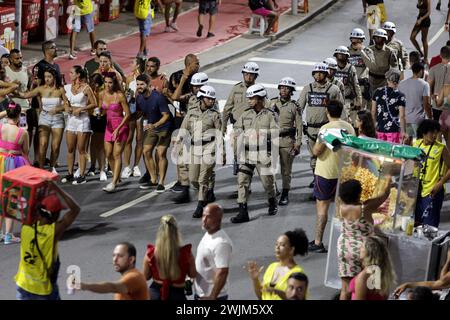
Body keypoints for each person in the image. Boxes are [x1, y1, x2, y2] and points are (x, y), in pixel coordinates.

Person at [15, 182, 80, 300]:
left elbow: (27, 206)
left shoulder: (26, 227)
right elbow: (75, 209)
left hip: (23, 285)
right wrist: (57, 188)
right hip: (43, 290)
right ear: (55, 216)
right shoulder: (53, 231)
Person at [309, 101, 355, 253]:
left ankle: (318, 242)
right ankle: (346, 242)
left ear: (327, 112)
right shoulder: (349, 127)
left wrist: (313, 147)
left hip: (326, 173)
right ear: (341, 111)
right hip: (345, 172)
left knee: (322, 208)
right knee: (344, 208)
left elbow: (317, 151)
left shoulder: (325, 129)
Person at [230, 84, 279, 223]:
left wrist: (261, 133)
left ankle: (272, 201)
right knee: (242, 181)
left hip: (263, 154)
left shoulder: (270, 115)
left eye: (251, 98)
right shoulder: (245, 114)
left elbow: (276, 131)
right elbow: (237, 127)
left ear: (259, 98)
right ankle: (243, 211)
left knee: (267, 183)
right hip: (247, 153)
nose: (249, 100)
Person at [337, 179, 392, 300]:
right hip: (364, 250)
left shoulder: (342, 207)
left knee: (345, 289)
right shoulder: (364, 208)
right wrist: (388, 185)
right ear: (358, 194)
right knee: (371, 286)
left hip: (344, 248)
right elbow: (383, 197)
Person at [297, 63, 344, 192]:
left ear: (326, 74)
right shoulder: (308, 89)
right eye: (316, 73)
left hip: (328, 128)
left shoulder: (333, 89)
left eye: (321, 73)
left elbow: (341, 108)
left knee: (329, 157)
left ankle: (330, 183)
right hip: (312, 129)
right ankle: (317, 182)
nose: (318, 75)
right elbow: (299, 108)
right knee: (314, 157)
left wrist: (341, 125)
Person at [178, 85, 222, 218]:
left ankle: (200, 205)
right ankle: (207, 191)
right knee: (193, 179)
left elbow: (219, 134)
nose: (212, 101)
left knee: (203, 179)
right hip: (194, 148)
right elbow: (184, 128)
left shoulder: (215, 115)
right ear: (201, 98)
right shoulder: (191, 112)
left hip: (210, 147)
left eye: (213, 99)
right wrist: (178, 142)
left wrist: (223, 152)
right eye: (209, 99)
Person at [16, 68, 68, 172]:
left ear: (54, 77)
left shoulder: (61, 90)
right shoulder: (41, 89)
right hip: (44, 118)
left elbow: (67, 106)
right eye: (45, 77)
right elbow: (25, 95)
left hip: (58, 119)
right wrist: (12, 91)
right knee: (43, 144)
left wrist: (58, 109)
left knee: (55, 146)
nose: (47, 79)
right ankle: (40, 169)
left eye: (49, 77)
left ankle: (52, 167)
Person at [167, 54, 200, 196]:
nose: (198, 65)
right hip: (179, 119)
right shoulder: (176, 76)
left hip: (193, 119)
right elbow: (173, 96)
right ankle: (181, 180)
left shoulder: (199, 77)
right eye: (196, 63)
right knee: (179, 150)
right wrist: (184, 79)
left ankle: (193, 180)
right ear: (188, 64)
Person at [143, 215, 196, 300]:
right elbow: (193, 274)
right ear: (176, 232)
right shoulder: (186, 253)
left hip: (155, 294)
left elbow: (146, 276)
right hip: (178, 295)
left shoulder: (151, 253)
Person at [133, 74, 171, 192]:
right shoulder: (139, 97)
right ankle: (154, 179)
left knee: (160, 153)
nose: (139, 87)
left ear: (149, 85)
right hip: (151, 126)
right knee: (146, 151)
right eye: (137, 84)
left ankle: (161, 182)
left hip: (164, 127)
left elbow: (166, 115)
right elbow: (140, 113)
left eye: (142, 84)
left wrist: (154, 125)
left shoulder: (158, 97)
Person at [223, 62, 259, 182]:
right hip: (238, 128)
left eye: (251, 75)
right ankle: (242, 181)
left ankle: (250, 180)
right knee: (237, 154)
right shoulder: (236, 88)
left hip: (253, 129)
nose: (248, 77)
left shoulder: (259, 90)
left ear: (255, 76)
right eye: (246, 74)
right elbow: (227, 108)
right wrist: (222, 127)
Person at [246, 229, 308, 300]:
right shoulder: (272, 267)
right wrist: (255, 280)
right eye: (276, 244)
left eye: (282, 245)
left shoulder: (297, 273)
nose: (277, 247)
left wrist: (278, 292)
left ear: (291, 250)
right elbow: (261, 296)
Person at [269, 77, 302, 206]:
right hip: (272, 140)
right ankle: (274, 189)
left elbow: (299, 125)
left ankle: (285, 193)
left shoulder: (294, 106)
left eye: (287, 88)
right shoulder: (271, 103)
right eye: (282, 87)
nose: (284, 90)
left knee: (286, 170)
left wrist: (298, 143)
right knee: (269, 168)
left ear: (291, 91)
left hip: (287, 141)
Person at [62, 66, 97, 185]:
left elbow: (94, 104)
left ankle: (82, 175)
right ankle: (70, 173)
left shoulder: (86, 88)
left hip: (83, 121)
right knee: (70, 148)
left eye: (71, 72)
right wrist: (66, 107)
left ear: (78, 75)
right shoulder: (67, 87)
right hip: (71, 120)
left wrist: (82, 109)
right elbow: (65, 101)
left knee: (81, 149)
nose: (69, 74)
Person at [0, 102, 29, 245]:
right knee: (12, 198)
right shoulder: (22, 132)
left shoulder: (1, 127)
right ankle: (8, 235)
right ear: (19, 116)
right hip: (14, 165)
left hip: (0, 162)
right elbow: (26, 151)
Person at [79, 242, 149, 300]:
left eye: (120, 256)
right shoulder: (131, 275)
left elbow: (112, 287)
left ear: (131, 260)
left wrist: (84, 286)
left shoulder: (134, 277)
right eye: (113, 255)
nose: (115, 259)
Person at [413, 119, 450, 228]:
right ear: (424, 132)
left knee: (430, 226)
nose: (434, 135)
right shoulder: (417, 144)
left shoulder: (441, 148)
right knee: (416, 224)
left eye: (436, 132)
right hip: (417, 191)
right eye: (431, 132)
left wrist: (440, 183)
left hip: (433, 191)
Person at [32, 41, 62, 167]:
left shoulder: (56, 66)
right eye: (53, 48)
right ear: (46, 50)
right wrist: (40, 107)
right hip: (41, 106)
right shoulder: (39, 66)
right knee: (41, 133)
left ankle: (51, 159)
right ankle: (38, 158)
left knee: (54, 134)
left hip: (54, 105)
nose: (56, 49)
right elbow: (37, 88)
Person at [99, 73, 130, 193]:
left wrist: (118, 129)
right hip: (108, 127)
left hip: (120, 126)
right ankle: (116, 177)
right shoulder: (102, 94)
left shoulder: (120, 96)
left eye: (110, 82)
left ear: (114, 83)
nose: (107, 85)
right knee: (108, 154)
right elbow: (102, 110)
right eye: (105, 82)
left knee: (117, 154)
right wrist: (100, 112)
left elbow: (127, 114)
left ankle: (113, 182)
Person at [194, 203, 233, 300]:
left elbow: (223, 272)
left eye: (208, 217)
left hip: (214, 297)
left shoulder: (221, 243)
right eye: (203, 215)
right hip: (201, 294)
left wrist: (213, 296)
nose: (204, 219)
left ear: (218, 219)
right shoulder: (209, 234)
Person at [349, 236, 396, 300]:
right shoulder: (382, 274)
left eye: (362, 246)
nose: (359, 248)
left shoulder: (363, 276)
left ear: (369, 252)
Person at [121, 57, 146, 180]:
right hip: (131, 112)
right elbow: (126, 95)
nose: (130, 64)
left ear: (137, 65)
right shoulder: (129, 78)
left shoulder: (144, 78)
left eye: (132, 63)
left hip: (141, 113)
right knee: (128, 139)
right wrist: (128, 96)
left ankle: (136, 166)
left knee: (139, 139)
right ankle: (127, 167)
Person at [359, 28, 398, 95]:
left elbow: (395, 67)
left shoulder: (389, 51)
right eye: (376, 37)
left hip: (384, 80)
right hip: (371, 79)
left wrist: (393, 81)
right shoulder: (368, 50)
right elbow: (364, 65)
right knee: (371, 100)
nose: (377, 39)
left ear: (384, 39)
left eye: (380, 38)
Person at [371, 69, 406, 143]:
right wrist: (403, 131)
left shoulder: (377, 92)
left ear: (387, 80)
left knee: (380, 152)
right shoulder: (400, 95)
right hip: (394, 130)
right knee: (392, 152)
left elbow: (373, 111)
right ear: (398, 81)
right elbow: (402, 115)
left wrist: (373, 127)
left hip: (379, 129)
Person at [399, 62, 431, 142]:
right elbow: (426, 104)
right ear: (421, 71)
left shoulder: (402, 84)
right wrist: (430, 118)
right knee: (419, 143)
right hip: (418, 119)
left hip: (405, 119)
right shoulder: (424, 84)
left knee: (407, 142)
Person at [333, 46, 362, 127]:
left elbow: (356, 84)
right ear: (335, 56)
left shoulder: (350, 68)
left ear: (347, 56)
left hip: (347, 99)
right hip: (334, 98)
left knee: (345, 120)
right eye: (339, 54)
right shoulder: (333, 68)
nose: (341, 56)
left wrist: (359, 100)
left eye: (343, 55)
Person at [87, 73, 107, 181]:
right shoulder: (90, 91)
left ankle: (103, 169)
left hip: (101, 119)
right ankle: (92, 167)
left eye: (94, 83)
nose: (92, 85)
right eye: (91, 83)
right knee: (93, 143)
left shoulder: (103, 92)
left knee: (100, 145)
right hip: (91, 118)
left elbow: (105, 106)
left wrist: (101, 113)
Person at [348, 28, 371, 109]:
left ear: (362, 40)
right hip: (350, 85)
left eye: (359, 40)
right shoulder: (347, 51)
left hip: (362, 85)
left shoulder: (367, 50)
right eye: (355, 40)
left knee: (361, 110)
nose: (357, 42)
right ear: (351, 39)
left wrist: (362, 52)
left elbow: (370, 65)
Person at [428, 46, 450, 121]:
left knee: (437, 129)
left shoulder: (433, 69)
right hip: (449, 105)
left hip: (437, 105)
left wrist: (432, 96)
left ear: (440, 55)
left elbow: (429, 86)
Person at [411, 0, 431, 65]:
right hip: (419, 18)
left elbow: (429, 12)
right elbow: (420, 10)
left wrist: (421, 19)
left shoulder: (427, 0)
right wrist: (418, 19)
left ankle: (425, 58)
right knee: (412, 37)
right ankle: (421, 53)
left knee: (424, 39)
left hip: (425, 20)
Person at [438, 82, 450, 149]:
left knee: (439, 135)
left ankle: (440, 155)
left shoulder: (445, 87)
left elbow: (439, 103)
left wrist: (435, 98)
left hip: (445, 115)